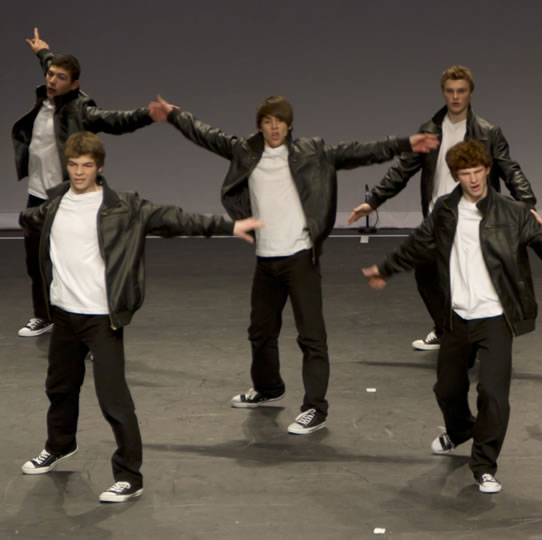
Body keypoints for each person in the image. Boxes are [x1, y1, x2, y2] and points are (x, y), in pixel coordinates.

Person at [148, 95, 438, 434]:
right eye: (268, 121)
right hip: (266, 260)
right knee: (260, 333)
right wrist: (174, 115)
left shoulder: (311, 153)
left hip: (300, 258)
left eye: (280, 122)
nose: (274, 127)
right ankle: (269, 388)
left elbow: (361, 151)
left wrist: (406, 143)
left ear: (289, 126)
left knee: (312, 338)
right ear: (260, 125)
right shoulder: (246, 152)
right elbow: (206, 134)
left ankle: (316, 408)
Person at [362, 140, 542, 493]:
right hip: (456, 317)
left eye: (477, 171)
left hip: (495, 317)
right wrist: (385, 269)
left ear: (487, 170)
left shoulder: (513, 212)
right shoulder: (445, 209)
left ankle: (484, 464)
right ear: (456, 175)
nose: (472, 179)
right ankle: (459, 431)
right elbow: (417, 245)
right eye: (465, 173)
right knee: (447, 389)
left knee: (494, 394)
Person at [19, 131, 262, 503]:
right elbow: (30, 219)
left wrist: (230, 225)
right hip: (65, 316)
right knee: (59, 389)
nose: (79, 172)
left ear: (99, 168)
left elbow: (177, 218)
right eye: (73, 165)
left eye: (87, 166)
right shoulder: (54, 204)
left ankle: (130, 476)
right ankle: (60, 445)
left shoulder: (125, 207)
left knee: (113, 400)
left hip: (102, 318)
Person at [347, 65, 542, 352]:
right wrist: (374, 200)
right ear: (444, 92)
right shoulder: (430, 130)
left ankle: (480, 336)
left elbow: (509, 169)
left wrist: (527, 204)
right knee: (426, 274)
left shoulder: (487, 132)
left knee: (476, 278)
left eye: (461, 91)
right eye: (450, 91)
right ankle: (445, 329)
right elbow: (404, 168)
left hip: (475, 217)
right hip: (439, 217)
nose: (455, 97)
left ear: (470, 93)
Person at [13, 28, 154, 338]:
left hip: (67, 196)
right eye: (50, 75)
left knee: (82, 264)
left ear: (74, 85)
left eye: (60, 78)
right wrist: (42, 52)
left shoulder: (81, 109)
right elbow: (52, 63)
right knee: (36, 264)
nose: (52, 80)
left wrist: (148, 115)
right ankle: (44, 316)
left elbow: (115, 120)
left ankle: (98, 327)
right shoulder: (46, 97)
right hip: (37, 196)